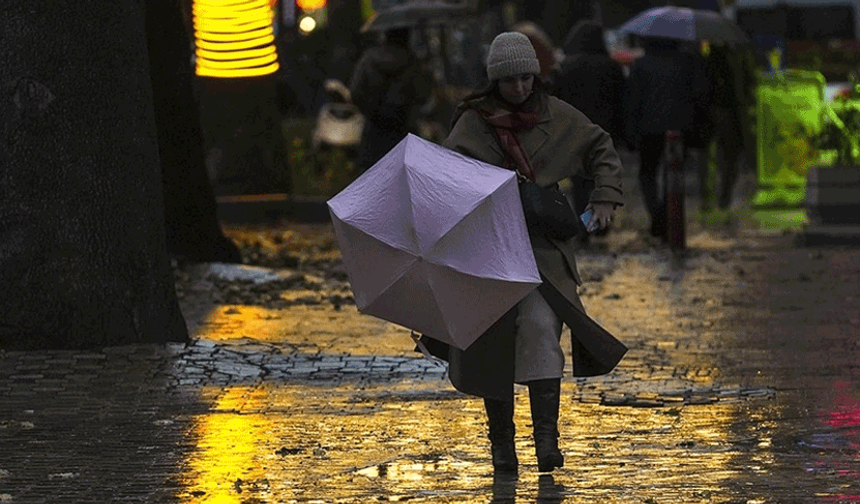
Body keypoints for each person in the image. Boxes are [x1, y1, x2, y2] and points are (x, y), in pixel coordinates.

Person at [439, 31, 627, 474]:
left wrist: (605, 197)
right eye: (510, 81)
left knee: (544, 328)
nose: (520, 88)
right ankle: (501, 446)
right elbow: (446, 177)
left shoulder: (558, 116)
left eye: (527, 78)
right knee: (492, 343)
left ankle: (547, 439)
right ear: (494, 81)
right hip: (487, 253)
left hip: (542, 251)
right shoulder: (472, 123)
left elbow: (600, 146)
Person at [627, 36, 712, 238]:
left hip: (648, 129)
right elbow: (699, 94)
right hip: (679, 129)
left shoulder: (641, 64)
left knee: (647, 173)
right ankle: (665, 216)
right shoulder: (686, 63)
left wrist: (630, 131)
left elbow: (632, 100)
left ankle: (657, 216)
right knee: (672, 175)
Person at [555, 20, 629, 234]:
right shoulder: (611, 67)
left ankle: (585, 227)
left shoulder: (566, 67)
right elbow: (621, 102)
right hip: (605, 133)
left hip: (574, 134)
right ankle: (599, 224)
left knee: (580, 184)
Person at [348, 27, 430, 172]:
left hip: (373, 130)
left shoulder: (369, 59)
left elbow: (355, 91)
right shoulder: (412, 62)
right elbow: (422, 95)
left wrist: (370, 109)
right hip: (403, 128)